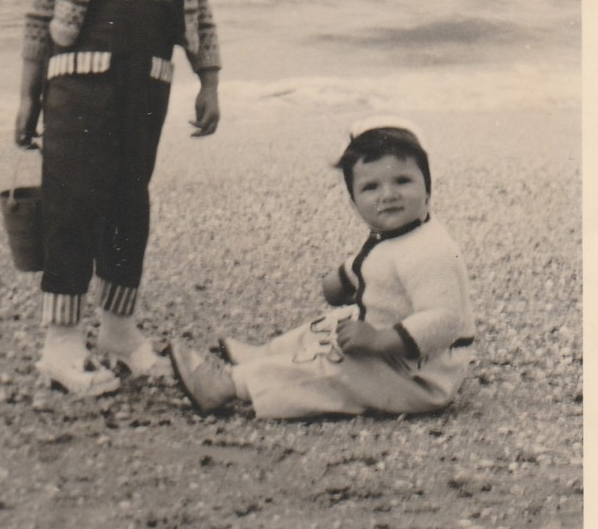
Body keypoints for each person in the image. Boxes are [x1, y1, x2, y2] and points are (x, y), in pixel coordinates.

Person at [15, 0, 220, 396]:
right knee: (72, 207)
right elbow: (39, 13)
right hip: (75, 84)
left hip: (148, 82)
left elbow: (197, 6)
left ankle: (120, 332)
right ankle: (61, 344)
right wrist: (27, 95)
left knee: (130, 203)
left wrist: (208, 78)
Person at [169, 117, 474, 419]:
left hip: (418, 375)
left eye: (402, 181)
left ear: (429, 188)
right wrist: (343, 280)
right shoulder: (396, 234)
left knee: (334, 368)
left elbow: (444, 319)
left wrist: (379, 340)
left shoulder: (431, 250)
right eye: (371, 187)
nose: (388, 195)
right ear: (354, 203)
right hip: (393, 348)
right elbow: (373, 264)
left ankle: (231, 385)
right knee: (336, 323)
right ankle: (265, 356)